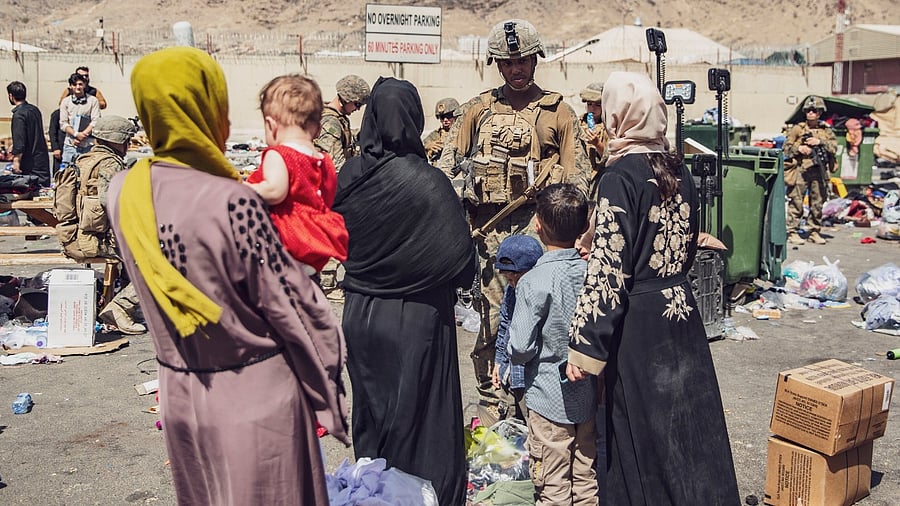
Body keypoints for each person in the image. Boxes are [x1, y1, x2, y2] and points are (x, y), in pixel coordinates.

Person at [106, 46, 348, 505]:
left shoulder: (125, 190)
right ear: (208, 107)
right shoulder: (232, 200)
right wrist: (329, 389)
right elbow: (293, 306)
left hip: (181, 394)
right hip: (254, 397)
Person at [566, 71, 740, 505]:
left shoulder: (618, 177)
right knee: (688, 429)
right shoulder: (678, 169)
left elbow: (609, 268)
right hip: (681, 314)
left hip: (639, 325)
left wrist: (585, 346)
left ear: (617, 114)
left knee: (639, 434)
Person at [332, 77, 477, 506]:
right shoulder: (429, 183)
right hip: (418, 318)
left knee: (373, 410)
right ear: (414, 118)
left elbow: (337, 241)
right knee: (421, 413)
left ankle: (375, 490)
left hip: (361, 314)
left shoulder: (348, 178)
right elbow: (461, 263)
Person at [441, 18, 587, 424]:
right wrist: (468, 185)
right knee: (491, 322)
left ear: (535, 59)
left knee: (543, 323)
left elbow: (580, 179)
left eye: (522, 60)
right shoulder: (477, 110)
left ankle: (538, 403)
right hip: (490, 237)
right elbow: (446, 171)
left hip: (544, 237)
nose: (516, 69)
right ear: (497, 65)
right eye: (507, 62)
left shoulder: (558, 112)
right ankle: (492, 404)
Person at [508, 183, 596, 505]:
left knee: (552, 485)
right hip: (587, 397)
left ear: (537, 225)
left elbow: (519, 347)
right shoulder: (592, 272)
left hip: (547, 400)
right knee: (586, 477)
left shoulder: (533, 281)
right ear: (585, 227)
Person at [245, 74, 348, 276]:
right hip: (315, 244)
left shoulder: (280, 155)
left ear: (271, 125)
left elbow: (275, 191)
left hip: (286, 241)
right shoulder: (323, 161)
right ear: (318, 129)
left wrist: (243, 187)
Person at [62, 114, 145, 334]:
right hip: (96, 241)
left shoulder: (84, 159)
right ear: (114, 139)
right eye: (126, 140)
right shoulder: (110, 164)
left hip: (78, 237)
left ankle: (128, 307)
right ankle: (120, 308)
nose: (128, 145)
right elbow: (114, 205)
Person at [490, 234, 543, 425]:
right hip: (510, 373)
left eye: (516, 279)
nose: (513, 285)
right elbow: (505, 325)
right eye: (508, 280)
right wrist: (498, 362)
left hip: (532, 379)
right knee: (511, 428)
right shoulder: (511, 293)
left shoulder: (541, 294)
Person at [783, 95, 838, 245]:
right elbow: (786, 148)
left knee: (818, 202)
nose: (810, 113)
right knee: (796, 201)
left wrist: (819, 142)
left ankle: (814, 231)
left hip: (818, 170)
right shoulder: (797, 128)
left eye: (814, 110)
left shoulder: (825, 130)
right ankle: (792, 231)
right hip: (801, 169)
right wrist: (799, 148)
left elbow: (834, 147)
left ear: (820, 113)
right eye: (808, 110)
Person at [314, 74, 370, 172]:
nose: (358, 109)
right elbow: (337, 166)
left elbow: (345, 136)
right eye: (357, 104)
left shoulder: (339, 119)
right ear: (346, 99)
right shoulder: (331, 123)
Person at [6, 81, 50, 187]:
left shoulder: (19, 115)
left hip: (29, 166)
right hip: (41, 161)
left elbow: (20, 143)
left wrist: (16, 163)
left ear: (11, 96)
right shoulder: (34, 110)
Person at [59, 72, 101, 165]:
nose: (78, 87)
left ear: (85, 85)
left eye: (80, 84)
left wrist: (83, 135)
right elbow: (63, 123)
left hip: (88, 145)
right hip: (70, 145)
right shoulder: (65, 102)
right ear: (70, 86)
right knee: (67, 174)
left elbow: (95, 121)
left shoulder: (93, 101)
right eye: (75, 84)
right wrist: (76, 134)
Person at [578, 82, 610, 200]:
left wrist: (597, 144)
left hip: (599, 180)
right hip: (581, 180)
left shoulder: (609, 126)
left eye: (597, 105)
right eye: (589, 104)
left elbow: (610, 157)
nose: (592, 108)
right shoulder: (579, 123)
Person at [423, 97, 459, 163]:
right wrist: (426, 147)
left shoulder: (463, 133)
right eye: (442, 117)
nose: (445, 120)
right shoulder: (434, 135)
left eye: (449, 116)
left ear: (456, 115)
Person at [48, 109, 65, 177]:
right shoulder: (57, 114)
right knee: (58, 172)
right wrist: (55, 148)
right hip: (60, 147)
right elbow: (52, 132)